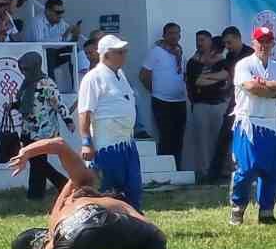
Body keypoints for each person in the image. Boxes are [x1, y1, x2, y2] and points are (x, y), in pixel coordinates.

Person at [0, 137, 173, 249]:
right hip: (115, 222)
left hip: (75, 228)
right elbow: (154, 232)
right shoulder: (113, 202)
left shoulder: (65, 209)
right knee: (153, 237)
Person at [230, 26, 276, 225]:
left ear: (273, 43)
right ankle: (238, 207)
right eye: (260, 41)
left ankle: (266, 211)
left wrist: (268, 85)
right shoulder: (244, 65)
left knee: (273, 169)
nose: (264, 45)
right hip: (249, 122)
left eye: (268, 41)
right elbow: (252, 87)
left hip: (272, 124)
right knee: (247, 168)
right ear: (253, 42)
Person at [76, 34, 142, 209]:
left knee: (133, 187)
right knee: (108, 190)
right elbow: (84, 113)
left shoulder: (120, 74)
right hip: (106, 146)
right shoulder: (93, 78)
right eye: (119, 52)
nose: (124, 55)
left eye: (124, 52)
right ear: (105, 54)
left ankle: (134, 219)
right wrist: (86, 143)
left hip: (127, 143)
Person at [12, 50, 69, 200]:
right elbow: (22, 103)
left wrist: (68, 120)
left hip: (44, 130)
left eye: (27, 69)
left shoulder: (47, 83)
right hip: (27, 129)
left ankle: (55, 188)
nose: (24, 72)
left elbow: (58, 103)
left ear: (36, 66)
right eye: (22, 69)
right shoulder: (26, 83)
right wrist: (11, 106)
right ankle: (45, 191)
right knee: (37, 162)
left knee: (38, 162)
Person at [180, 31, 231, 181]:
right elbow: (197, 82)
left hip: (219, 104)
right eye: (197, 40)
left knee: (221, 140)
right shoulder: (193, 63)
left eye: (202, 40)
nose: (199, 43)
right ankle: (205, 173)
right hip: (200, 105)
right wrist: (215, 78)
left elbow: (226, 75)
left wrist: (209, 77)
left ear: (210, 42)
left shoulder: (222, 61)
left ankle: (223, 172)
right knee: (202, 142)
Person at [139, 22, 187, 159]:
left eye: (177, 33)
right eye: (170, 33)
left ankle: (177, 169)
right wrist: (155, 91)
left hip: (180, 101)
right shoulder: (156, 52)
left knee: (179, 137)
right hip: (162, 101)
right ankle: (166, 172)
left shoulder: (180, 53)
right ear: (164, 35)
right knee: (166, 136)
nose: (174, 36)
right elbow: (143, 75)